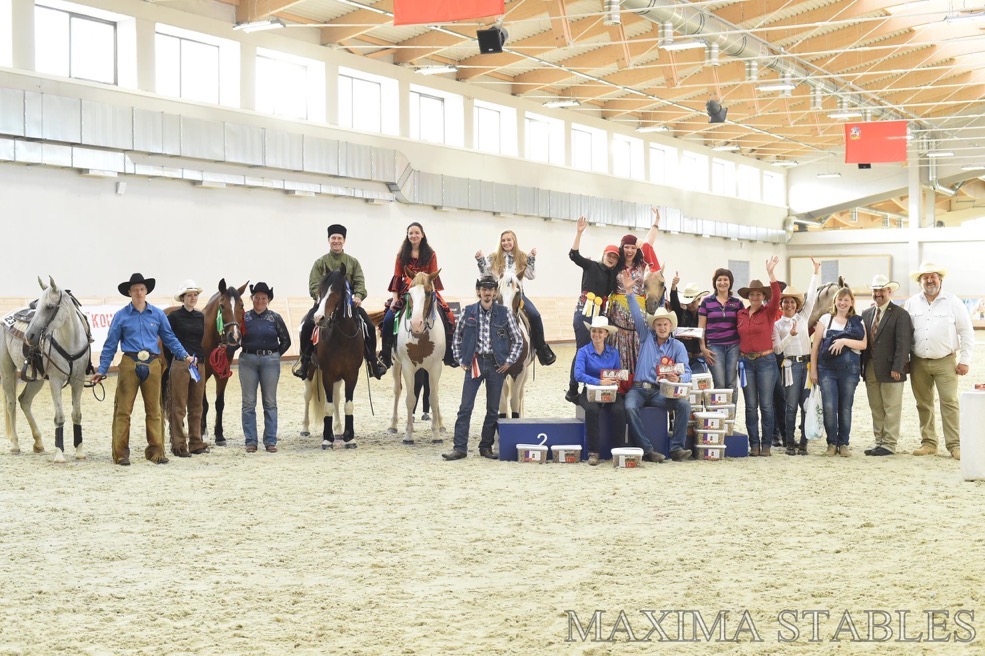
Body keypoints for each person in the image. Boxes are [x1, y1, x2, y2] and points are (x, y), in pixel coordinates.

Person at [92, 273, 194, 466]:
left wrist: (184, 355)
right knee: (123, 410)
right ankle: (121, 453)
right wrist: (102, 369)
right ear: (129, 293)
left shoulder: (157, 315)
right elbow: (110, 344)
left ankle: (156, 452)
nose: (139, 292)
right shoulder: (121, 316)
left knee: (154, 409)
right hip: (130, 362)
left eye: (141, 289)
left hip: (153, 363)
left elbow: (170, 338)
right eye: (135, 290)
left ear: (146, 291)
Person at [442, 276, 524, 461]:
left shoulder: (505, 313)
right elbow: (457, 337)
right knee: (465, 407)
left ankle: (485, 447)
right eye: (484, 289)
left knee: (493, 409)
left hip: (497, 365)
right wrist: (460, 359)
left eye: (490, 289)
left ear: (495, 292)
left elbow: (518, 339)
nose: (487, 292)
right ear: (479, 291)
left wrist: (509, 361)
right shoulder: (468, 311)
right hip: (475, 363)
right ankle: (460, 448)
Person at [296, 224, 386, 380]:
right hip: (324, 305)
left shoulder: (353, 262)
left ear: (344, 240)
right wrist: (319, 298)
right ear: (329, 240)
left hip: (349, 306)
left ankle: (372, 361)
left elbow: (359, 282)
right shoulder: (320, 263)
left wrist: (358, 295)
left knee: (370, 327)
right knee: (307, 326)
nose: (336, 241)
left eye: (339, 238)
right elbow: (314, 284)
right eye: (333, 238)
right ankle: (304, 361)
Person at [619, 271, 692, 463]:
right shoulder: (645, 336)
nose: (661, 327)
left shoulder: (678, 346)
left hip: (662, 391)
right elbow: (636, 314)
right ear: (654, 326)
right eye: (658, 324)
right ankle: (647, 450)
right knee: (630, 406)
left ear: (670, 326)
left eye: (665, 324)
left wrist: (680, 379)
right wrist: (629, 293)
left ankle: (677, 448)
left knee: (683, 404)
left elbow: (687, 371)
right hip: (639, 388)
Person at [904, 262, 974, 460]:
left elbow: (966, 331)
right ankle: (929, 443)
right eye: (925, 277)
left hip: (946, 361)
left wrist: (965, 360)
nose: (929, 280)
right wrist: (905, 359)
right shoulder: (911, 303)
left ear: (940, 279)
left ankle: (955, 445)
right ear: (920, 281)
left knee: (949, 403)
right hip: (918, 361)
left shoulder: (953, 302)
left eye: (932, 276)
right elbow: (905, 334)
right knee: (923, 403)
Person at [379, 222, 456, 368]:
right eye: (411, 233)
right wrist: (395, 298)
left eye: (416, 233)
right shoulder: (401, 255)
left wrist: (431, 294)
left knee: (450, 316)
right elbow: (397, 276)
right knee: (388, 319)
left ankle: (448, 354)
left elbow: (432, 277)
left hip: (426, 290)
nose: (414, 236)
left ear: (422, 235)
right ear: (407, 236)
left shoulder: (431, 254)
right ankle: (385, 354)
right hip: (406, 291)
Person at [476, 230, 556, 366]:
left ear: (514, 241)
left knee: (535, 315)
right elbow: (484, 277)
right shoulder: (493, 257)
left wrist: (531, 259)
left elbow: (531, 275)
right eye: (503, 240)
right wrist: (481, 261)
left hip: (517, 295)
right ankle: (476, 350)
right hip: (498, 295)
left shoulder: (522, 256)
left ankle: (542, 348)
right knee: (478, 315)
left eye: (509, 240)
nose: (506, 243)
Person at [565, 215, 620, 403]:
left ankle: (594, 383)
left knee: (599, 348)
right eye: (609, 255)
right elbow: (574, 255)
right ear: (603, 255)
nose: (611, 259)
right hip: (584, 311)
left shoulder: (614, 275)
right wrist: (579, 233)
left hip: (601, 314)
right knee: (582, 349)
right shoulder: (591, 265)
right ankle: (573, 387)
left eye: (615, 257)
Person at [606, 210, 663, 386]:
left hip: (638, 324)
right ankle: (620, 392)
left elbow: (649, 242)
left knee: (639, 358)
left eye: (632, 247)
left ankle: (638, 389)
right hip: (618, 324)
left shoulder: (643, 265)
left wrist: (656, 222)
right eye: (626, 247)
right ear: (622, 249)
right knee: (619, 359)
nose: (629, 250)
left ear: (636, 249)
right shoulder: (615, 265)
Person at [771, 258, 820, 456]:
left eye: (792, 301)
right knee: (791, 405)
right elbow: (776, 350)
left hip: (806, 365)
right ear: (781, 305)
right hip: (790, 366)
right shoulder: (778, 326)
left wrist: (815, 272)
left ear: (797, 304)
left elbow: (813, 295)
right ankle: (789, 441)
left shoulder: (803, 317)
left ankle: (804, 442)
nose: (789, 304)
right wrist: (789, 338)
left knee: (806, 404)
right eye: (786, 302)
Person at [810, 286, 867, 457]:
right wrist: (813, 370)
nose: (842, 303)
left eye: (846, 300)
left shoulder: (858, 321)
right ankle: (831, 443)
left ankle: (844, 443)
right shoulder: (825, 320)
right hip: (827, 370)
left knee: (845, 407)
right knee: (829, 406)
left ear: (851, 303)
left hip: (850, 371)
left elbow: (863, 345)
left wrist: (843, 341)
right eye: (840, 299)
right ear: (835, 301)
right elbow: (816, 346)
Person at [860, 274, 912, 456]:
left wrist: (898, 367)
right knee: (876, 405)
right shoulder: (866, 314)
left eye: (882, 290)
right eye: (875, 290)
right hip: (871, 367)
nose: (878, 293)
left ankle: (889, 443)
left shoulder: (900, 314)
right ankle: (879, 441)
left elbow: (903, 344)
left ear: (889, 291)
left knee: (891, 406)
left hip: (892, 369)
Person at [736, 257, 782, 456]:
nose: (755, 297)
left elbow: (777, 296)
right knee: (750, 406)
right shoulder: (740, 314)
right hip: (746, 362)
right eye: (752, 294)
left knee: (766, 405)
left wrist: (771, 274)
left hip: (766, 362)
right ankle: (753, 445)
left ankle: (766, 445)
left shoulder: (769, 312)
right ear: (748, 296)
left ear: (763, 296)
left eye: (758, 294)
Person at [239, 282, 291, 453]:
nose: (260, 300)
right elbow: (235, 339)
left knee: (270, 402)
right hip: (248, 360)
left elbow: (286, 341)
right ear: (252, 299)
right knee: (248, 403)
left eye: (263, 298)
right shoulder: (244, 318)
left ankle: (270, 441)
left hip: (270, 361)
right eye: (256, 297)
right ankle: (251, 441)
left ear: (268, 299)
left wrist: (274, 355)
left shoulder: (275, 318)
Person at [165, 279, 209, 458]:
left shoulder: (200, 316)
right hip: (181, 363)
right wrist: (175, 362)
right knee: (178, 405)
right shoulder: (174, 317)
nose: (193, 298)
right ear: (182, 298)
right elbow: (168, 340)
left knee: (197, 405)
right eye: (189, 295)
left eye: (195, 295)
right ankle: (178, 444)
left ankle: (196, 441)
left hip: (198, 363)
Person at [574, 316, 625, 466]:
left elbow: (617, 371)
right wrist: (599, 382)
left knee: (619, 410)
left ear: (606, 334)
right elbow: (578, 375)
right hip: (588, 391)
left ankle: (618, 449)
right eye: (594, 331)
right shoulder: (583, 352)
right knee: (592, 409)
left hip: (610, 391)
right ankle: (593, 452)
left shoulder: (614, 352)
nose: (596, 335)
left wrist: (616, 379)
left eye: (600, 332)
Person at [697, 267, 744, 394]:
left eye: (725, 279)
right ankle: (720, 413)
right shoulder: (706, 302)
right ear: (715, 283)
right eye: (719, 280)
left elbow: (742, 326)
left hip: (734, 346)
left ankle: (731, 414)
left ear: (730, 282)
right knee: (719, 384)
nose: (722, 282)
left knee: (732, 384)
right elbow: (701, 327)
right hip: (714, 347)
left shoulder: (737, 303)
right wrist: (702, 347)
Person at [669, 275, 710, 375]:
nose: (690, 305)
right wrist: (674, 286)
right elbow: (674, 303)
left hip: (699, 358)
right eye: (688, 302)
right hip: (682, 357)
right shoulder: (681, 313)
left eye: (693, 302)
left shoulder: (705, 315)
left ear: (699, 299)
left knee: (697, 380)